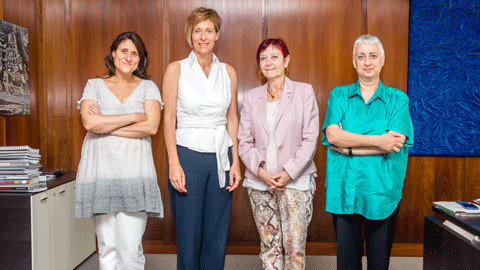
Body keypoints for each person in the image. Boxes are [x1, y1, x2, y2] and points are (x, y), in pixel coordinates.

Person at [322, 34, 414, 270]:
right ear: (354, 62)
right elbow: (333, 135)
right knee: (347, 264)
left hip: (381, 193)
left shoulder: (397, 99)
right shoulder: (339, 95)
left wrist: (348, 148)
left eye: (373, 56)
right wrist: (378, 141)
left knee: (378, 264)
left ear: (382, 60)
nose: (367, 62)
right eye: (361, 56)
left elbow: (393, 143)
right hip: (344, 190)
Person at [73, 31, 163, 270]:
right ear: (113, 53)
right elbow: (90, 124)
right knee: (107, 248)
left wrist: (107, 124)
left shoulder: (148, 88)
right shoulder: (94, 86)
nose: (129, 57)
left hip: (135, 176)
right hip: (100, 175)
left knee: (130, 251)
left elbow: (152, 126)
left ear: (140, 59)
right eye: (124, 51)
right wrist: (133, 116)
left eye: (135, 53)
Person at [162, 7, 241, 270]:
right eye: (198, 31)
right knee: (188, 232)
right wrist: (174, 162)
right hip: (188, 155)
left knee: (217, 233)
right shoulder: (177, 69)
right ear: (190, 35)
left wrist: (236, 162)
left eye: (209, 30)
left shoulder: (228, 72)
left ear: (217, 34)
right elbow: (168, 119)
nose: (203, 36)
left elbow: (232, 119)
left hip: (221, 155)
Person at [238, 38, 320, 270]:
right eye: (263, 58)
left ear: (286, 61)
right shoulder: (252, 97)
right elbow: (244, 141)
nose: (268, 62)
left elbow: (310, 139)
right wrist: (261, 172)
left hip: (295, 182)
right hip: (260, 184)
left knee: (294, 250)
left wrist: (288, 172)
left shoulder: (304, 92)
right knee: (269, 248)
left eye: (274, 57)